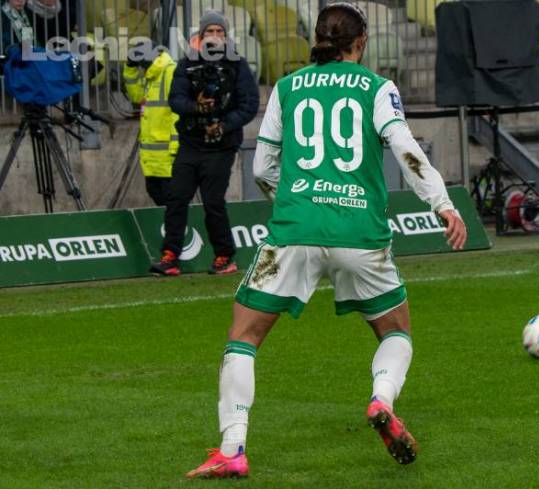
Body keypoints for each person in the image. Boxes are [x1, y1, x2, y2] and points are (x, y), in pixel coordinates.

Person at [185, 2, 467, 479]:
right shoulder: (377, 88)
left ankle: (232, 449)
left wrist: (294, 200)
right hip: (359, 232)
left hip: (294, 229)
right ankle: (381, 400)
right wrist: (442, 203)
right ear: (360, 43)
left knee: (244, 337)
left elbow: (262, 168)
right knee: (395, 331)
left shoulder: (288, 87)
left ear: (316, 38)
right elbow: (406, 149)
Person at [149, 10, 259, 276]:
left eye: (219, 32)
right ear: (201, 35)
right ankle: (170, 255)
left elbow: (249, 105)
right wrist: (198, 108)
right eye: (210, 31)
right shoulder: (187, 64)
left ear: (226, 36)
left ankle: (224, 255)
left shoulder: (237, 65)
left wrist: (223, 125)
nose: (215, 36)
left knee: (213, 201)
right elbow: (176, 100)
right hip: (190, 142)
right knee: (176, 197)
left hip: (222, 145)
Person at [123, 43, 178, 206]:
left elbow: (178, 112)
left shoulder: (170, 72)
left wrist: (176, 148)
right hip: (152, 156)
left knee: (172, 201)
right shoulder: (152, 74)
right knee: (156, 194)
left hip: (167, 155)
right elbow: (137, 96)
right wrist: (130, 68)